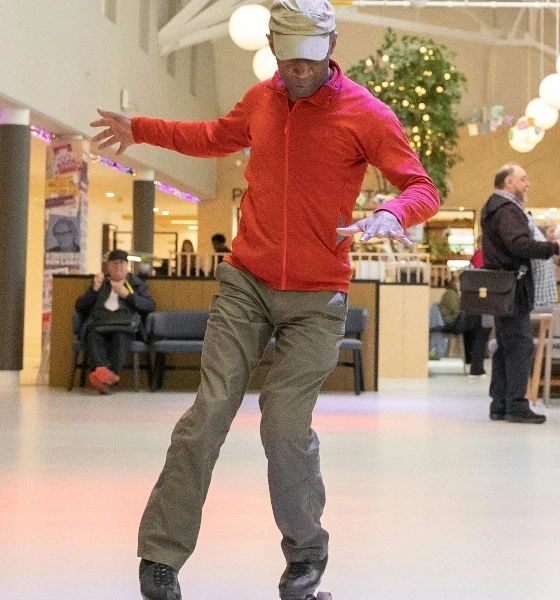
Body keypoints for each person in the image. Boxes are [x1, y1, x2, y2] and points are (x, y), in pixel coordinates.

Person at [90, 1, 439, 598]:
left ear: (330, 48)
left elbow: (421, 186)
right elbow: (211, 137)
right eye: (289, 61)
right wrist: (142, 129)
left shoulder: (367, 114)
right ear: (274, 47)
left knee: (283, 422)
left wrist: (392, 211)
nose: (298, 74)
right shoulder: (262, 99)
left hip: (317, 296)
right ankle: (160, 556)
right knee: (210, 411)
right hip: (246, 282)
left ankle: (305, 556)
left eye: (310, 61)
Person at [480, 163, 560, 424]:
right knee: (518, 345)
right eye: (523, 179)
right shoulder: (506, 209)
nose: (527, 184)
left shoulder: (496, 207)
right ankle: (516, 404)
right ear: (508, 183)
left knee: (507, 345)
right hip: (513, 286)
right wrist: (553, 247)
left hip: (503, 286)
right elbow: (517, 243)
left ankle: (500, 403)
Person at [75, 249, 156, 394]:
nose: (117, 267)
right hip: (100, 324)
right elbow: (80, 306)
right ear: (108, 267)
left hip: (125, 326)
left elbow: (150, 306)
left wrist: (127, 296)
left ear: (127, 266)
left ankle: (104, 375)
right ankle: (108, 375)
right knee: (93, 335)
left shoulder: (137, 284)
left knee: (121, 336)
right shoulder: (100, 283)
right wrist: (94, 289)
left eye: (121, 263)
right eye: (113, 264)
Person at [438, 271, 489, 376]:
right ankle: (474, 365)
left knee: (474, 324)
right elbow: (456, 310)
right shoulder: (451, 294)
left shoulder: (455, 293)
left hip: (455, 321)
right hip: (451, 322)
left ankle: (472, 363)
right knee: (476, 322)